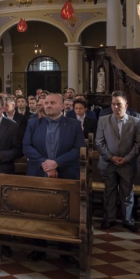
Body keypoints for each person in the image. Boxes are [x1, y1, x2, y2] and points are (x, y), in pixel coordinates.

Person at [23, 94, 85, 262]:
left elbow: (78, 149)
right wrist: (45, 163)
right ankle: (38, 247)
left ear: (63, 106)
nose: (48, 105)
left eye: (52, 103)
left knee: (63, 211)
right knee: (38, 209)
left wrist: (57, 163)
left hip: (65, 174)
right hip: (39, 172)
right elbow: (26, 146)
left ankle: (65, 250)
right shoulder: (34, 123)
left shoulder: (73, 124)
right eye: (46, 103)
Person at [95, 91, 140, 232]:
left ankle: (128, 220)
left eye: (119, 104)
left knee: (127, 193)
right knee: (109, 192)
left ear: (126, 105)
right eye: (113, 104)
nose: (116, 107)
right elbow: (99, 142)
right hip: (108, 163)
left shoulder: (136, 122)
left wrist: (127, 158)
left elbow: (139, 144)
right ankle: (109, 219)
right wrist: (111, 157)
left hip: (128, 164)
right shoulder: (103, 120)